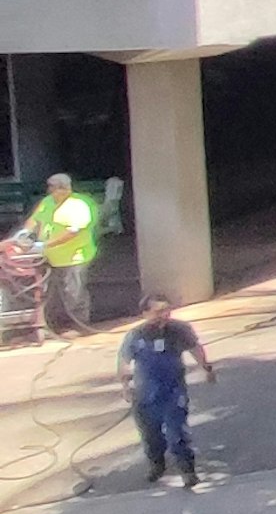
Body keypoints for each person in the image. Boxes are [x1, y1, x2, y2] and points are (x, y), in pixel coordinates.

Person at [118, 299, 214, 488]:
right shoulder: (135, 336)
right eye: (157, 312)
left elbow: (195, 348)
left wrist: (206, 368)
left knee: (177, 432)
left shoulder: (180, 330)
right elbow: (123, 361)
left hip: (172, 391)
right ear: (145, 313)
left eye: (166, 310)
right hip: (145, 394)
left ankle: (187, 470)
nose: (163, 315)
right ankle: (157, 465)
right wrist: (125, 387)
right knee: (151, 435)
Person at [20, 174, 96, 335]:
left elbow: (73, 232)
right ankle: (54, 324)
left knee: (73, 292)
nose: (50, 191)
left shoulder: (78, 205)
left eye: (53, 188)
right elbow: (35, 220)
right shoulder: (47, 202)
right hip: (50, 257)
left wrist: (45, 244)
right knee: (50, 292)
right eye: (50, 188)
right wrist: (25, 234)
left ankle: (80, 325)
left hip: (74, 257)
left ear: (64, 189)